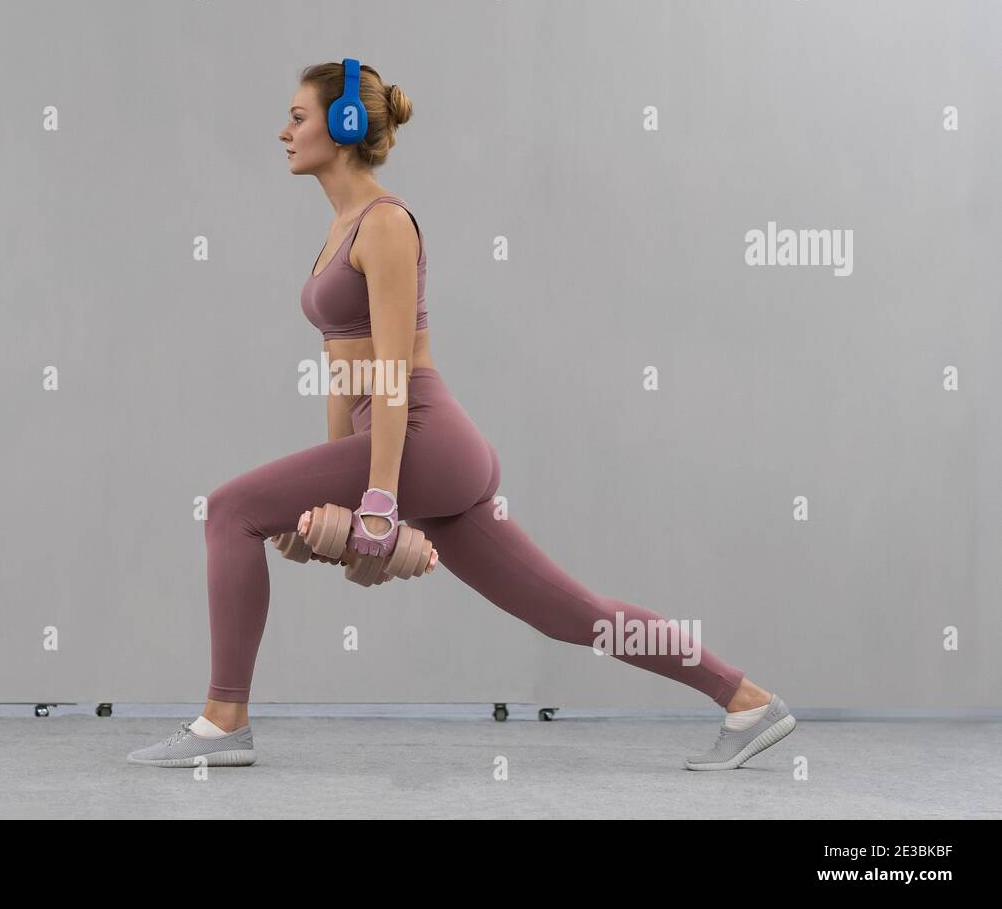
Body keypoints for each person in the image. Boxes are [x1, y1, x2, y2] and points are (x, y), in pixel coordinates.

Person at [128, 60, 797, 770]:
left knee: (228, 509)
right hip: (412, 448)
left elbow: (387, 373)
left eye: (298, 116)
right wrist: (333, 505)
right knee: (567, 612)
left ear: (346, 124)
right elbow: (343, 372)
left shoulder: (385, 224)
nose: (283, 132)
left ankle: (223, 722)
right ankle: (748, 701)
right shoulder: (338, 230)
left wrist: (379, 501)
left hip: (421, 438)